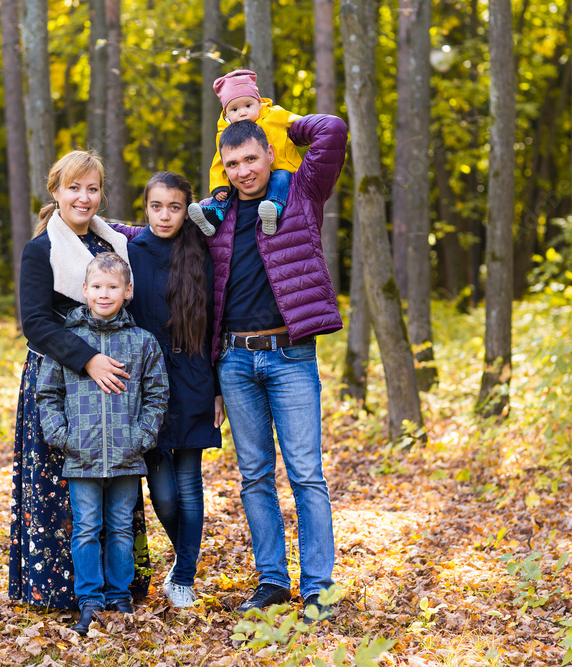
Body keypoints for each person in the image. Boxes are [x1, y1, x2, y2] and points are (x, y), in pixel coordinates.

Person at [199, 116, 347, 614]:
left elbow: (332, 129)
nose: (243, 171)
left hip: (290, 355)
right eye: (234, 163)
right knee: (255, 476)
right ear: (225, 166)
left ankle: (319, 589)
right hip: (235, 361)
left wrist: (273, 118)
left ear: (269, 153)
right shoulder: (214, 218)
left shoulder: (300, 194)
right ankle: (271, 582)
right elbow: (159, 228)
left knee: (306, 474)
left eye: (252, 159)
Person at [9, 150, 152, 611]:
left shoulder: (113, 248)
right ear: (56, 191)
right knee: (60, 487)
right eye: (74, 187)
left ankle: (118, 590)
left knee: (114, 493)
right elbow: (36, 323)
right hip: (61, 375)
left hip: (115, 387)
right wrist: (88, 359)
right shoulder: (42, 250)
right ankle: (62, 591)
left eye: (92, 189)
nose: (83, 198)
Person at [36, 252, 169, 634]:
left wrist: (141, 436)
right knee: (87, 527)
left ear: (128, 292)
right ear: (84, 291)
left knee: (122, 528)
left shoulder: (142, 343)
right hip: (81, 455)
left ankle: (119, 598)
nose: (104, 294)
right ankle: (90, 602)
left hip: (128, 455)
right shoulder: (68, 342)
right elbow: (48, 393)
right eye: (97, 287)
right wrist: (62, 436)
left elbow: (157, 393)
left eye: (113, 287)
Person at [127, 172, 224, 608]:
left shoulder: (201, 251)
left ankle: (182, 577)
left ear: (188, 209)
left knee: (189, 482)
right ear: (145, 208)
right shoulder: (130, 252)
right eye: (156, 206)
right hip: (145, 384)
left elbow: (217, 325)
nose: (165, 215)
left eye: (175, 207)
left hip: (192, 378)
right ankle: (184, 561)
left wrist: (218, 388)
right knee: (163, 495)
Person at [188, 69, 303, 237]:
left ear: (259, 103)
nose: (242, 112)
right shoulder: (226, 134)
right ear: (226, 114)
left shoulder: (275, 115)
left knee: (281, 178)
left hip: (280, 166)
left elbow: (297, 121)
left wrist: (307, 129)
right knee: (227, 190)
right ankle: (214, 215)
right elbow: (219, 162)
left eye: (248, 106)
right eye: (234, 109)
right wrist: (218, 185)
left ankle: (273, 208)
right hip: (248, 182)